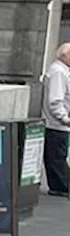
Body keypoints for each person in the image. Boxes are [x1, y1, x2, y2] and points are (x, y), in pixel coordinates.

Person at [41, 43, 70, 198]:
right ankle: (61, 186)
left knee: (58, 156)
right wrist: (64, 118)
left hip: (58, 124)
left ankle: (62, 185)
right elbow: (56, 100)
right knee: (57, 156)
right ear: (65, 55)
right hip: (57, 124)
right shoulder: (59, 72)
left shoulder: (61, 71)